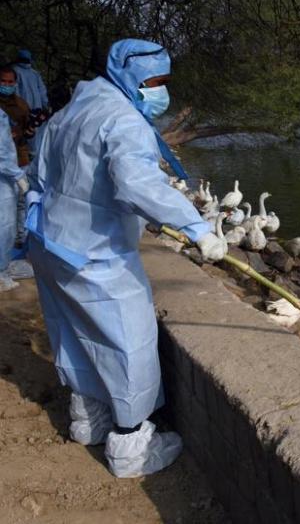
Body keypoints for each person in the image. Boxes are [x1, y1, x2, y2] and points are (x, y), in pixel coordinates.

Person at [25, 38, 226, 478]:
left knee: (74, 333)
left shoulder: (71, 111)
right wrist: (197, 228)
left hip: (50, 242)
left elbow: (39, 173)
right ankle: (132, 446)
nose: (161, 91)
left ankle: (88, 421)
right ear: (130, 77)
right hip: (94, 254)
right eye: (155, 82)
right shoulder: (122, 120)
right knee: (128, 339)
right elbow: (137, 184)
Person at [0, 110, 27, 292]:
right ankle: (1, 273)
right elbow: (1, 152)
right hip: (3, 179)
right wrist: (17, 175)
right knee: (4, 226)